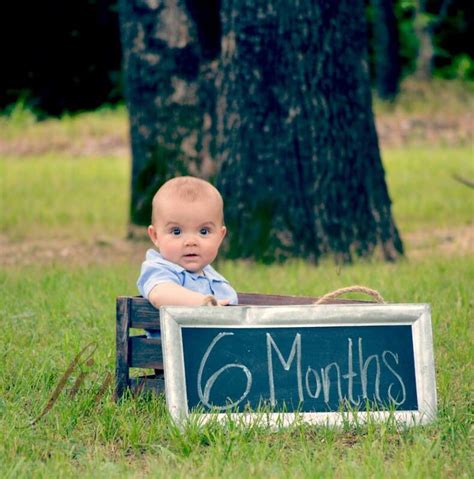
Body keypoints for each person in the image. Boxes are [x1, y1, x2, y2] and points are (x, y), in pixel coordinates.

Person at [137, 176, 238, 311]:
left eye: (204, 231)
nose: (191, 242)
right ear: (155, 236)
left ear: (220, 237)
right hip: (174, 332)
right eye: (176, 231)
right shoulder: (159, 269)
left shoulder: (213, 278)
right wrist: (204, 303)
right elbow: (160, 294)